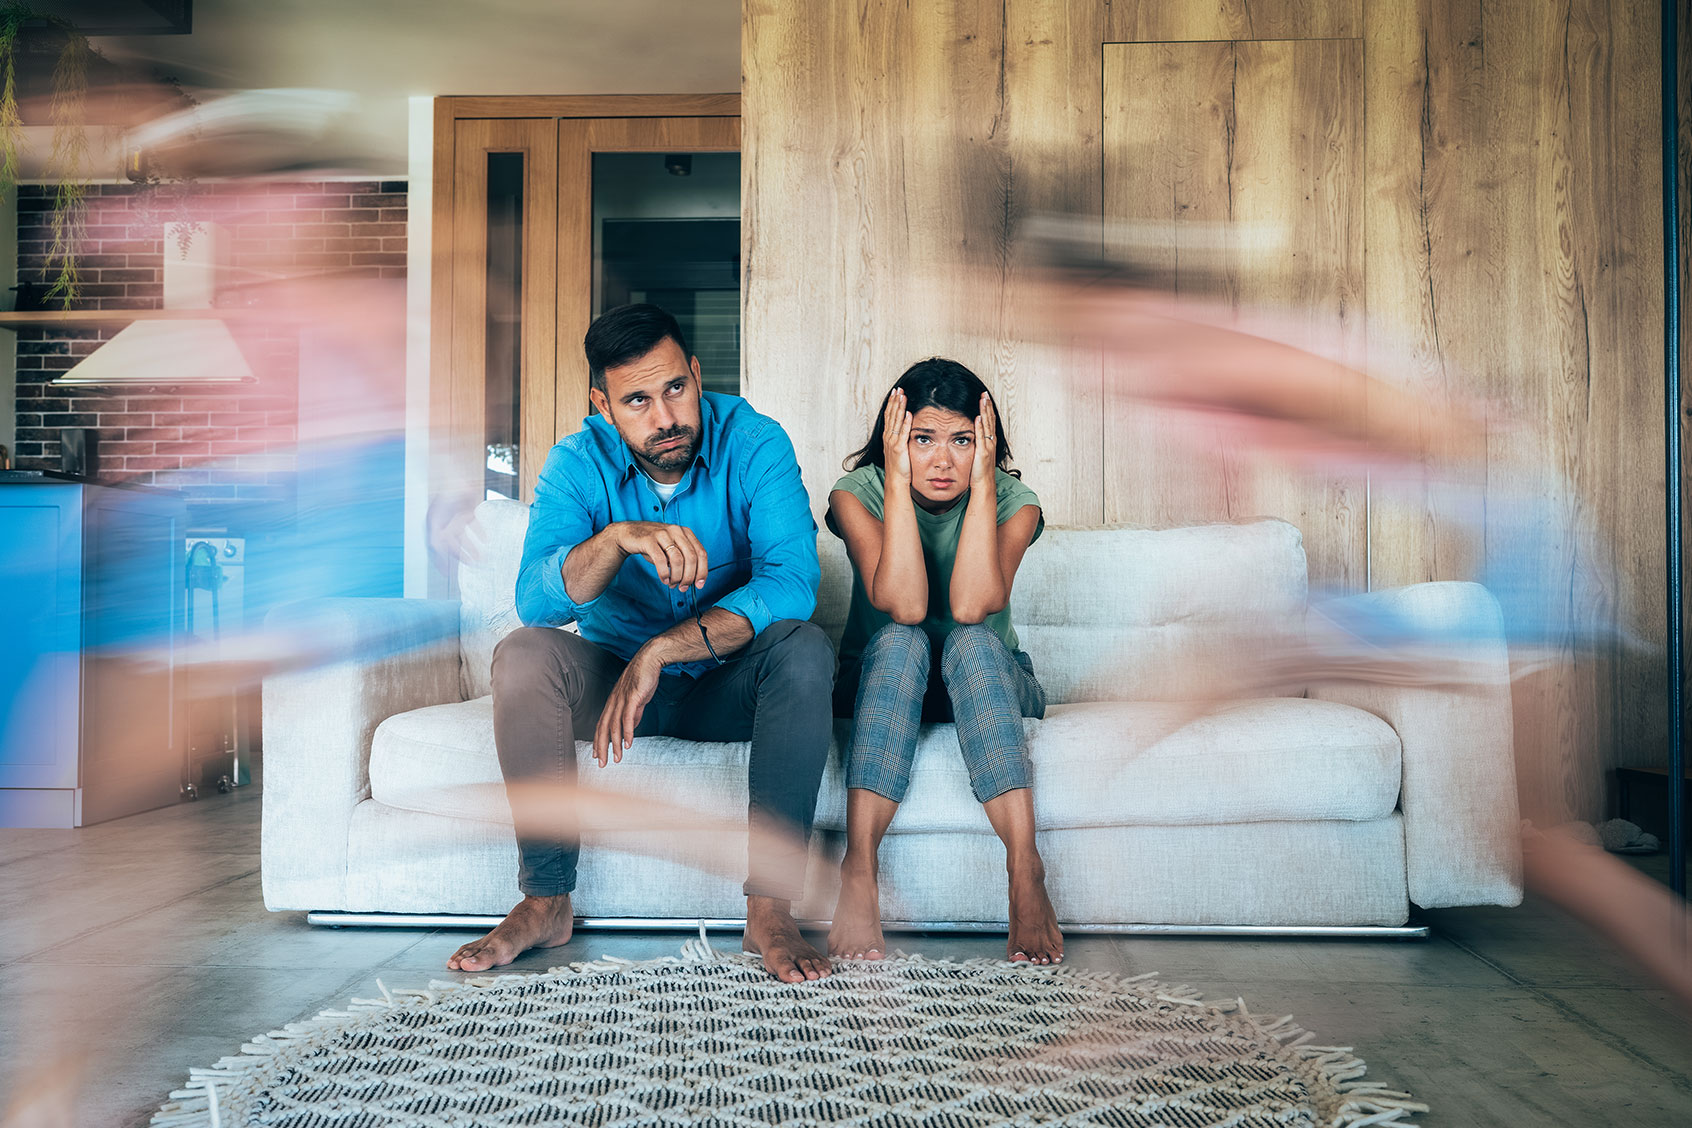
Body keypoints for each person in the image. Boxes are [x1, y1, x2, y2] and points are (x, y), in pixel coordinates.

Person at [447, 303, 836, 984]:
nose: (665, 418)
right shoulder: (575, 464)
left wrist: (661, 652)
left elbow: (794, 582)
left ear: (695, 371)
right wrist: (614, 539)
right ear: (603, 404)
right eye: (636, 401)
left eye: (675, 389)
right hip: (613, 690)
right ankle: (545, 900)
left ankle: (770, 908)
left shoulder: (756, 441)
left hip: (728, 683)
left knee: (804, 649)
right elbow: (536, 603)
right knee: (524, 656)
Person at [825, 357, 1062, 964]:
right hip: (884, 676)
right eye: (922, 439)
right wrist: (896, 482)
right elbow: (903, 605)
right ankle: (858, 871)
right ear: (895, 439)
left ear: (984, 443)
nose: (941, 460)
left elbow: (971, 605)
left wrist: (985, 485)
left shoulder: (1014, 501)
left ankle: (1024, 870)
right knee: (903, 642)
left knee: (972, 641)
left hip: (987, 675)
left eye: (961, 440)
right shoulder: (859, 495)